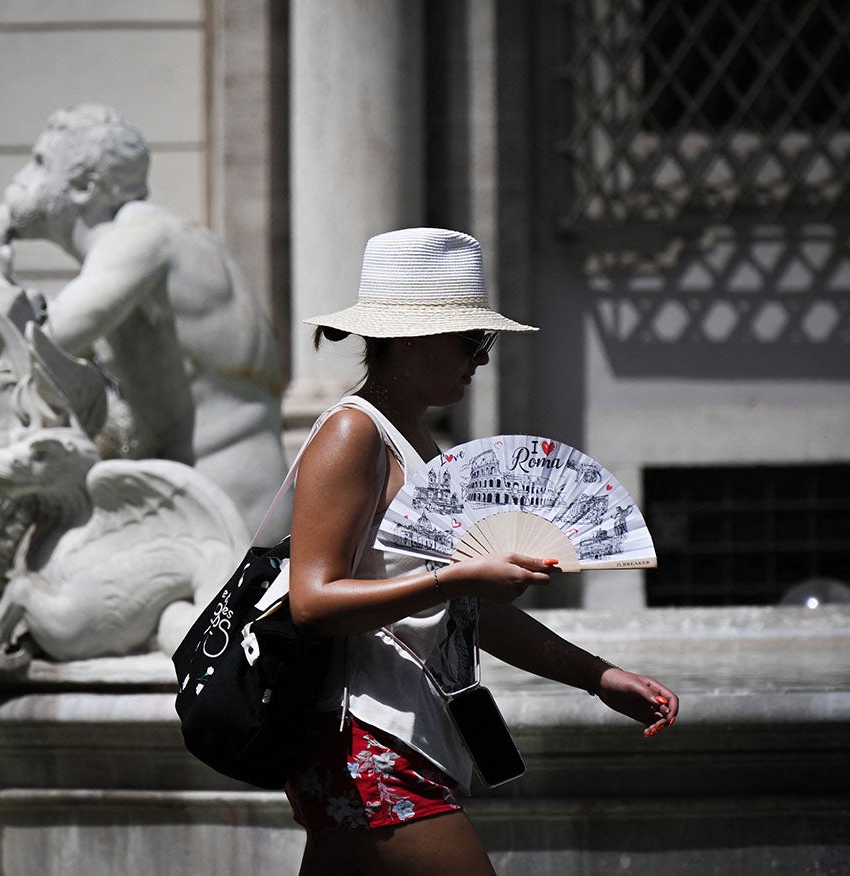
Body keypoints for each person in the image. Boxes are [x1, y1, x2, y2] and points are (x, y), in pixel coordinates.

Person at [285, 228, 679, 875]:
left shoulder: (418, 443)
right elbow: (312, 600)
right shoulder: (352, 433)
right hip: (366, 742)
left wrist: (600, 677)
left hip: (396, 738)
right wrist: (457, 576)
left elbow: (473, 611)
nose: (483, 360)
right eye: (473, 341)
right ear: (412, 339)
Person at [0, 104, 289, 539]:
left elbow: (44, 344)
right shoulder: (129, 260)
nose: (19, 177)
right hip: (207, 493)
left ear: (83, 186)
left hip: (227, 501)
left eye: (39, 163)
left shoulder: (141, 236)